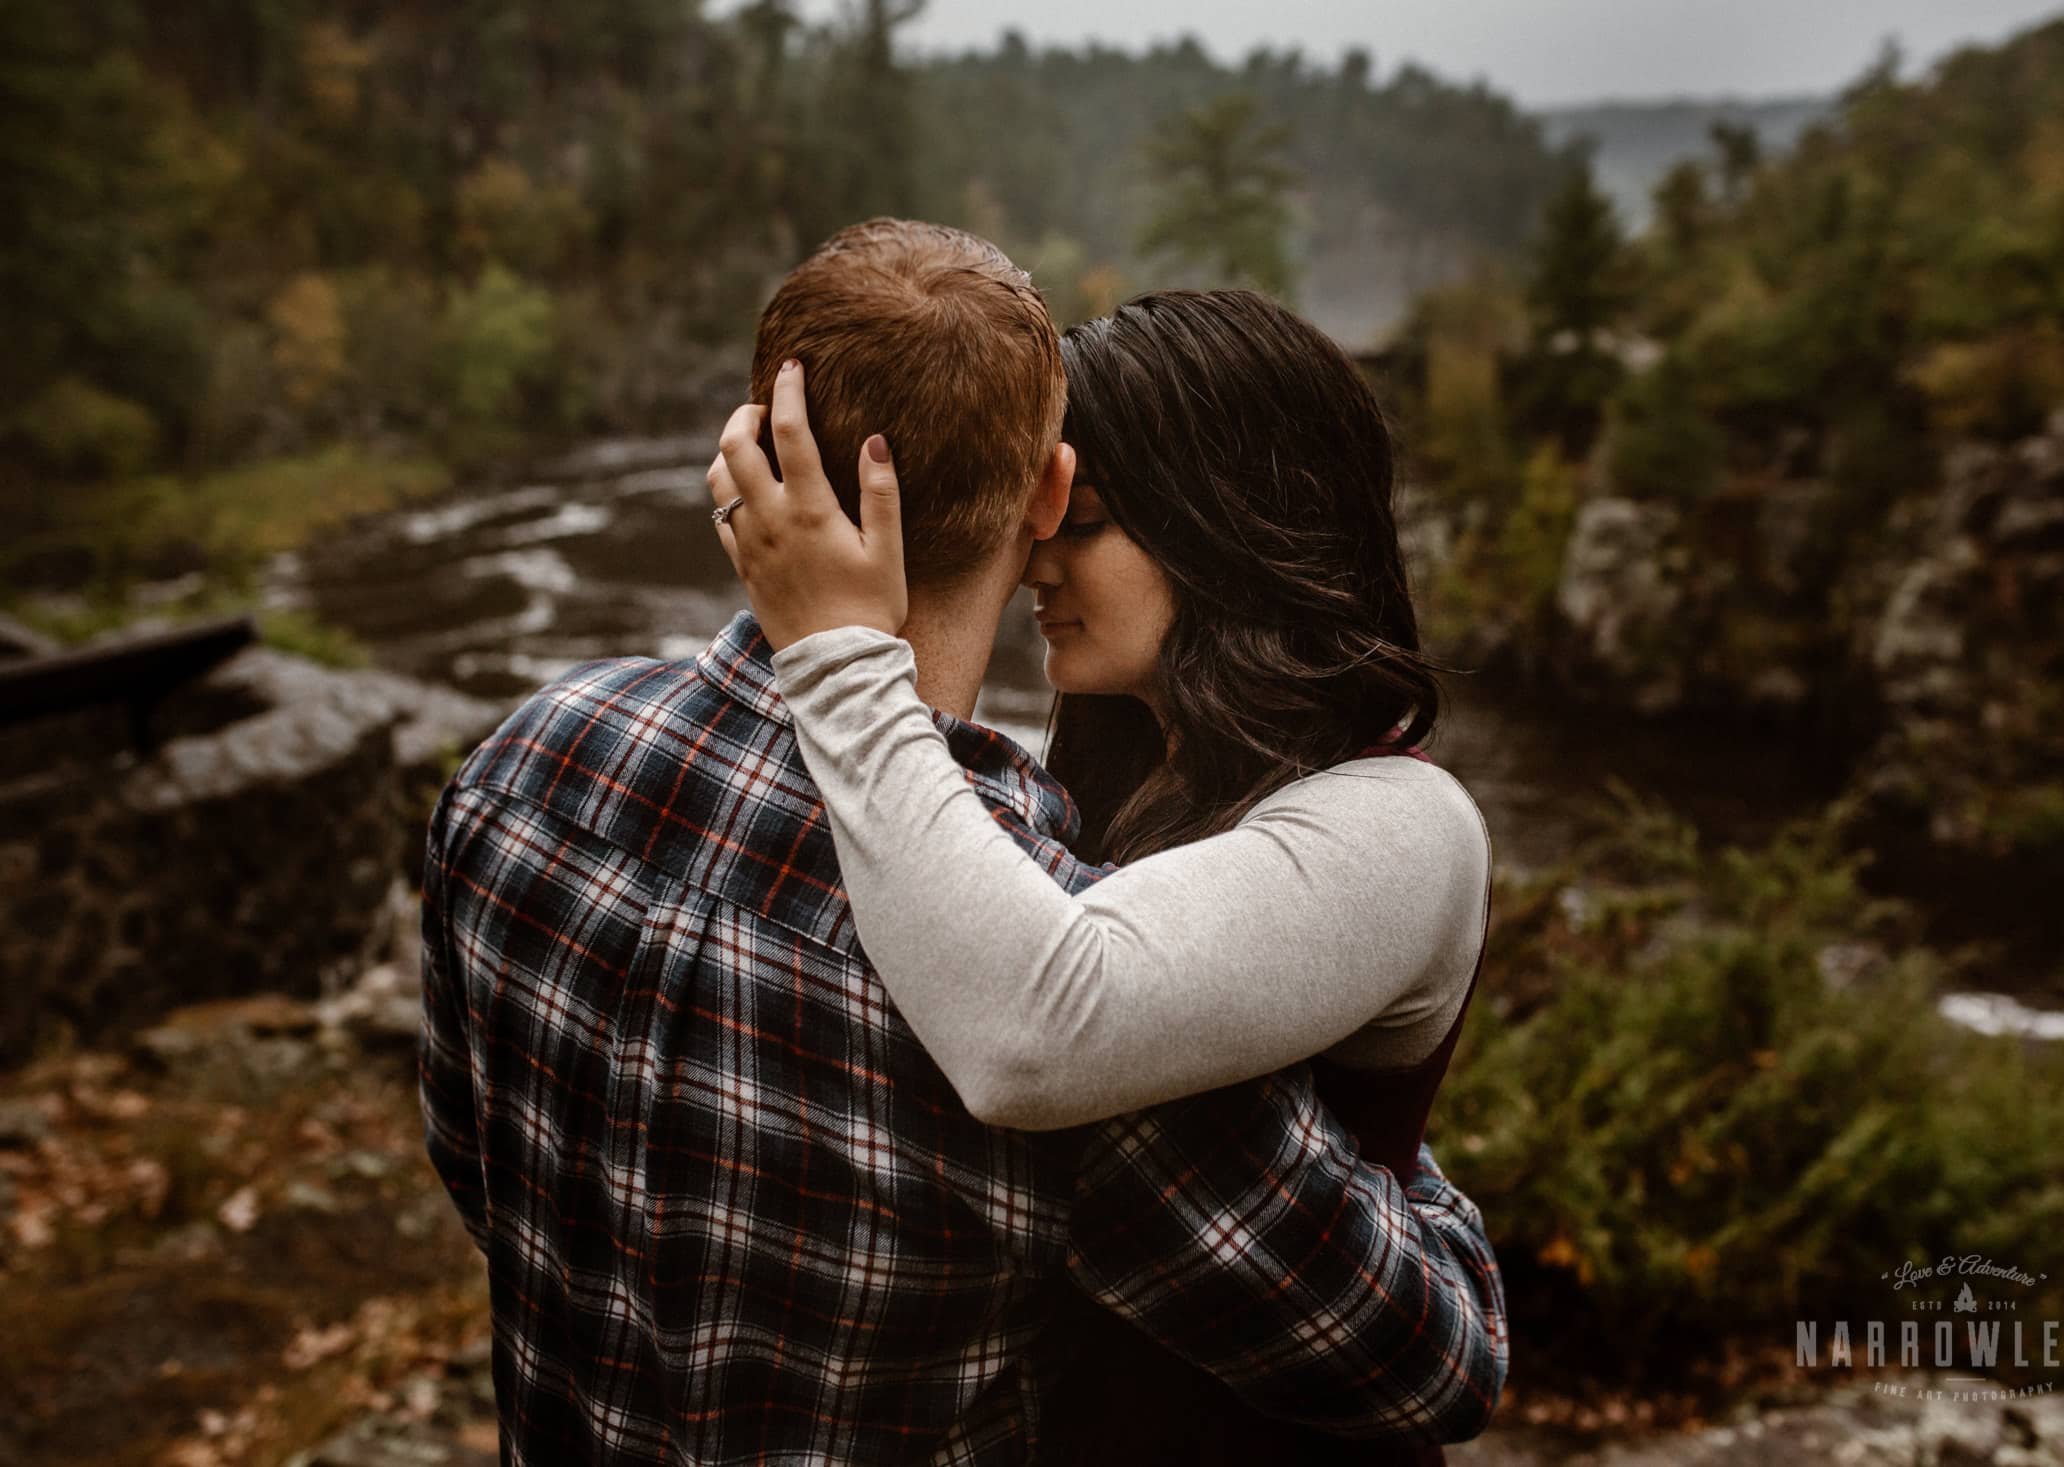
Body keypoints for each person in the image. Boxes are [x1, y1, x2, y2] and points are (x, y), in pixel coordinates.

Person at [420, 220, 1506, 1466]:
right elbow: (1422, 1353)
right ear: (1037, 484)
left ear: (768, 453)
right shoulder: (1014, 929)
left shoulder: (529, 757)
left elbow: (482, 1165)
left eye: (1090, 524)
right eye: (1069, 510)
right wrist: (1424, 1204)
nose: (1045, 555)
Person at [710, 287, 1498, 1464]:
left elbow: (1033, 1026)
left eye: (1079, 519)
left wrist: (835, 652)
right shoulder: (1104, 776)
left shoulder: (1399, 824)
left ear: (1226, 519)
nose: (1034, 555)